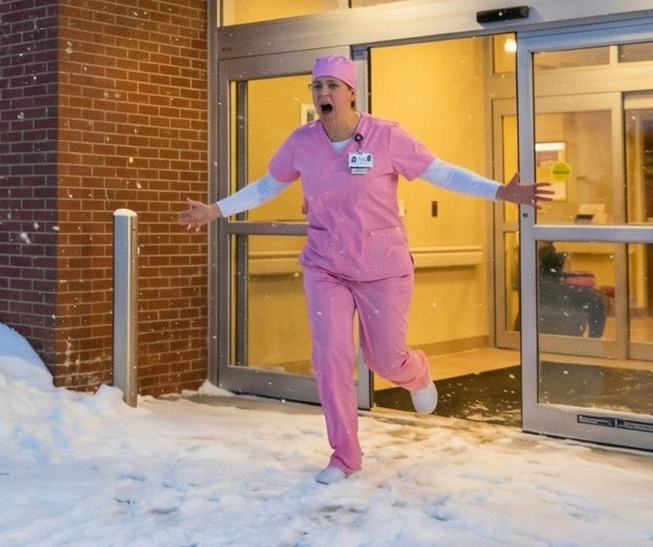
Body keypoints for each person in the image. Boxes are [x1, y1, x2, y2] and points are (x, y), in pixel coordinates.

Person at [180, 54, 551, 486]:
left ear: (352, 92)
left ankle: (415, 372)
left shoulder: (385, 136)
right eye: (317, 87)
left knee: (384, 358)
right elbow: (268, 185)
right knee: (331, 359)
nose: (324, 94)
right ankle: (345, 455)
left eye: (333, 86)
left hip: (383, 267)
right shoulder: (302, 142)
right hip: (326, 267)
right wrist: (215, 210)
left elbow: (440, 173)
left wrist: (500, 192)